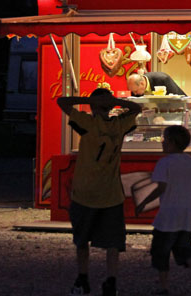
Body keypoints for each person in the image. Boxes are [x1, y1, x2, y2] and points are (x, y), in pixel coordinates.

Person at [56, 87, 143, 296]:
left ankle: (82, 277)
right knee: (113, 242)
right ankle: (111, 281)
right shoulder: (120, 125)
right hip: (111, 193)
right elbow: (136, 107)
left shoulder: (87, 123)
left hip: (84, 192)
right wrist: (111, 101)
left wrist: (91, 100)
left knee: (82, 239)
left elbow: (62, 101)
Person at [135, 125, 191, 296]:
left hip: (167, 217)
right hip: (187, 216)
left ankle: (163, 286)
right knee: (184, 248)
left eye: (164, 139)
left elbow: (161, 187)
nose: (162, 142)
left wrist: (144, 202)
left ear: (172, 143)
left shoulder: (164, 163)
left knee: (161, 251)